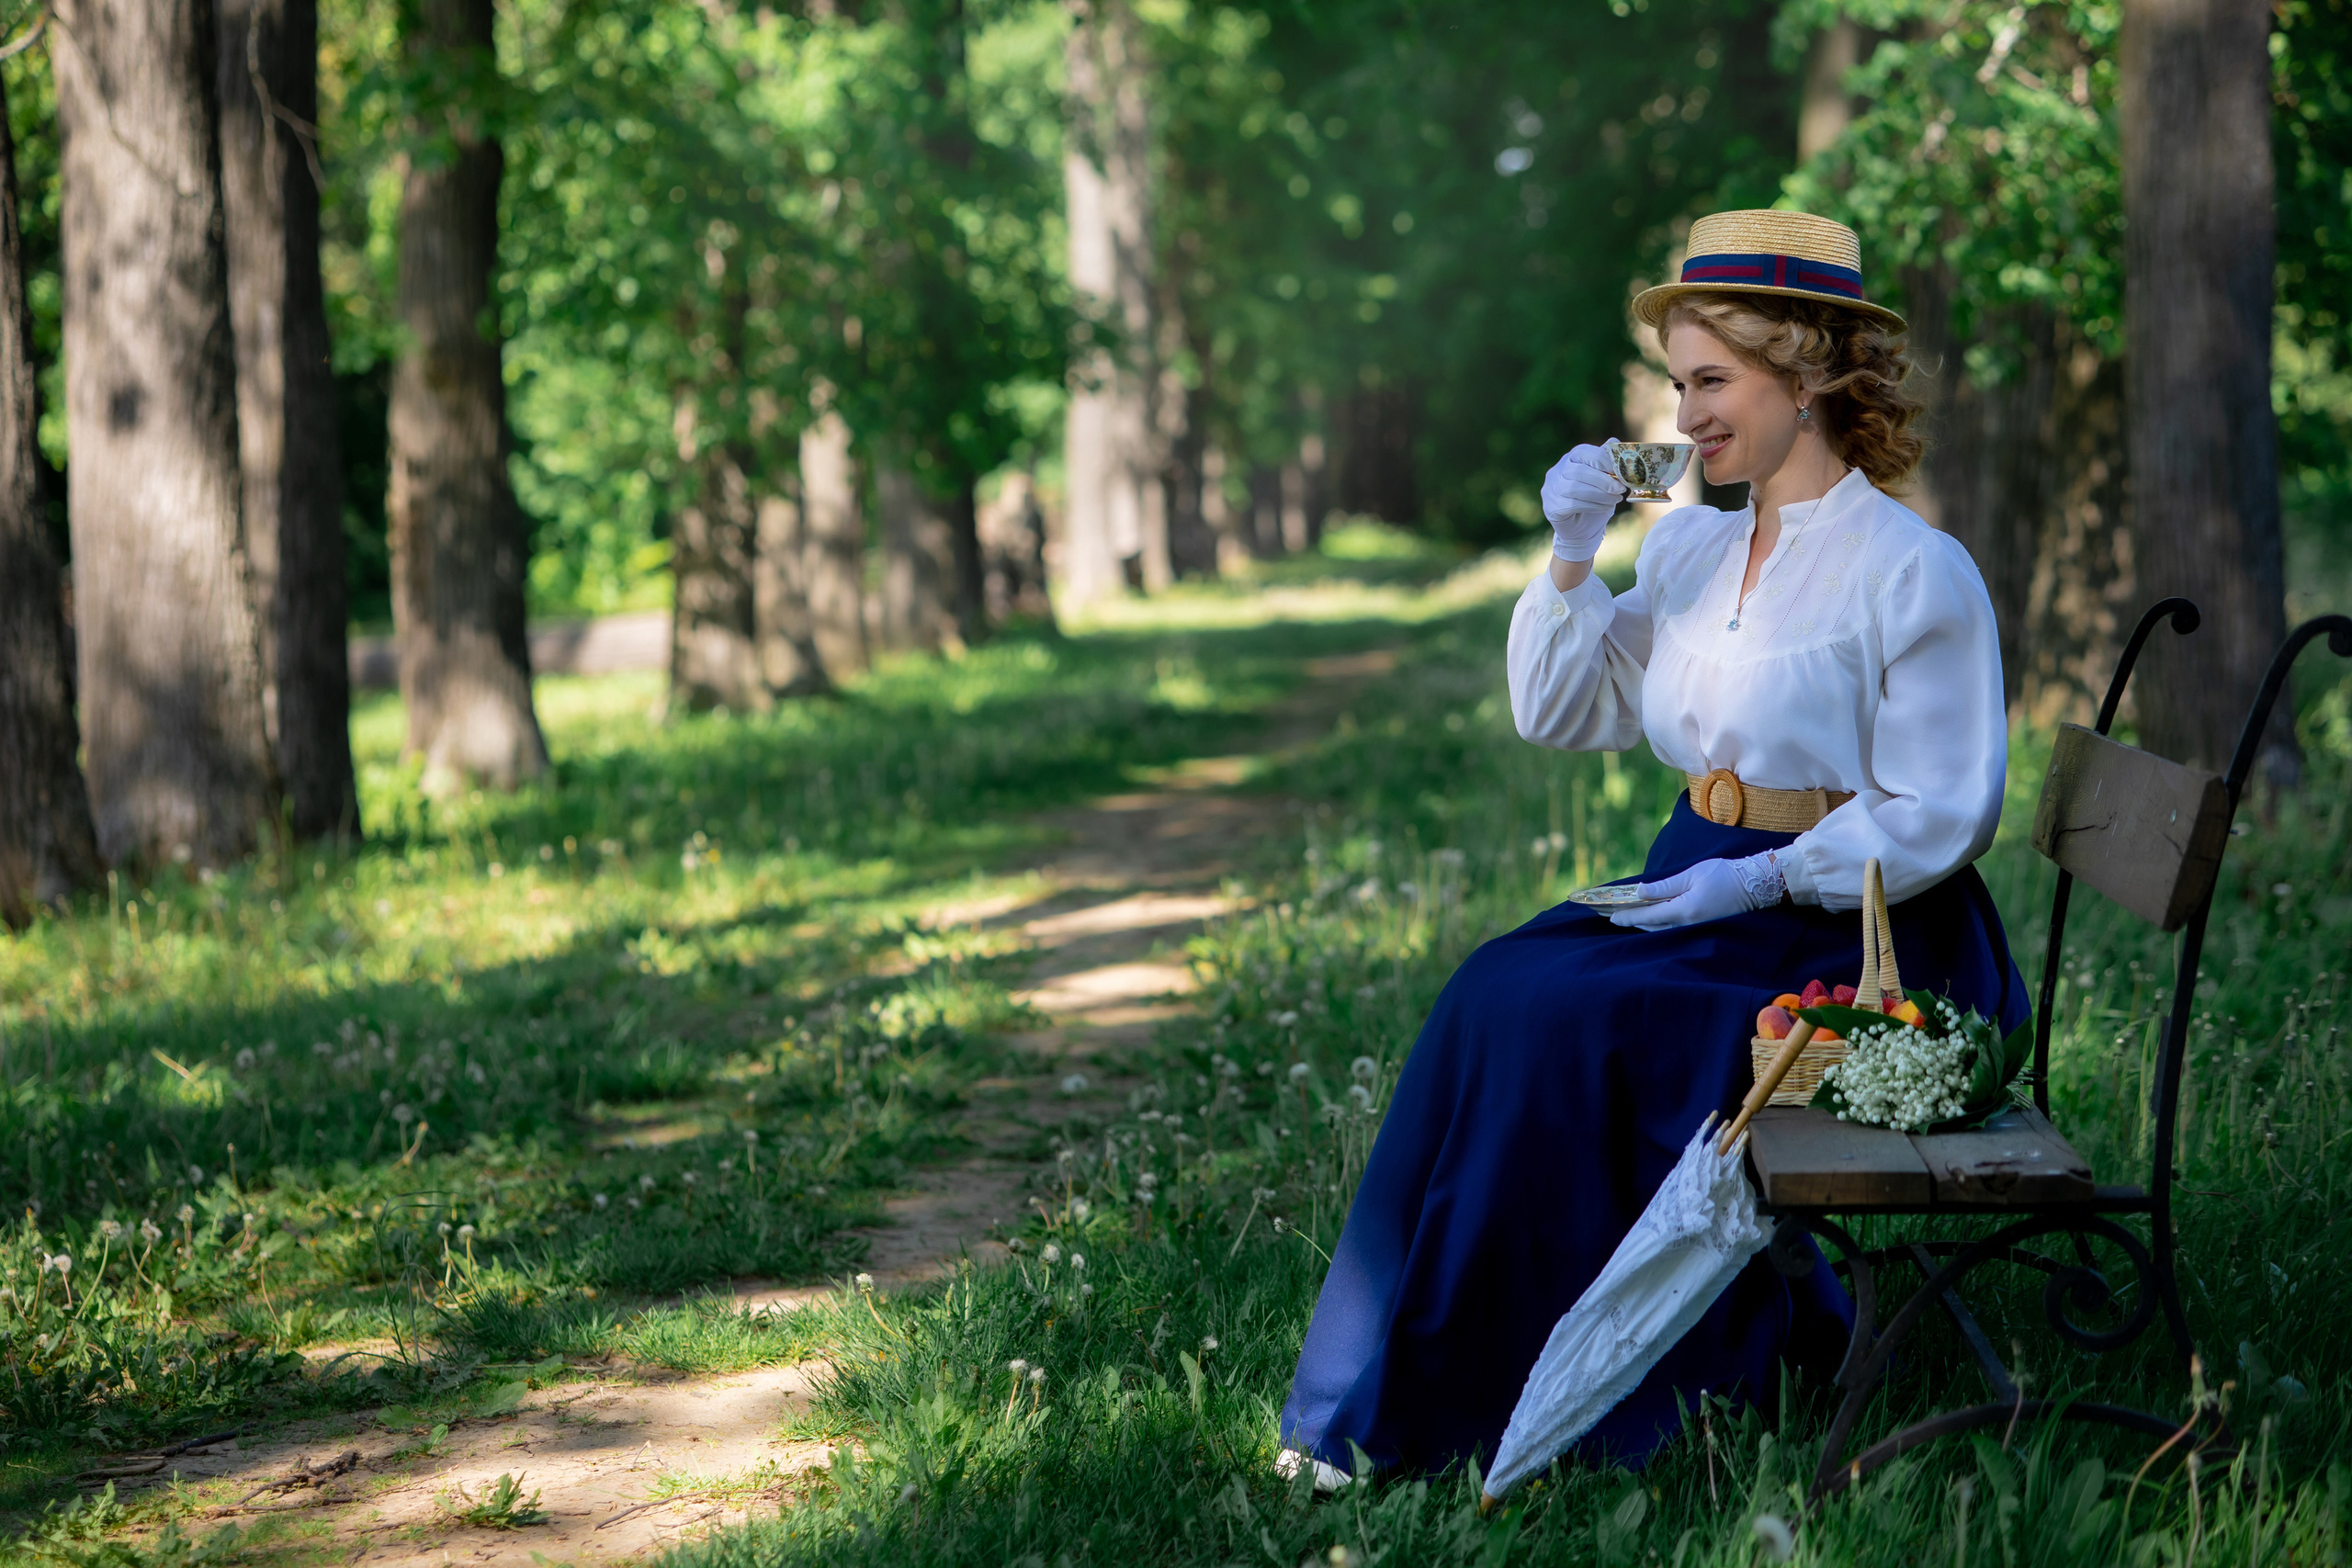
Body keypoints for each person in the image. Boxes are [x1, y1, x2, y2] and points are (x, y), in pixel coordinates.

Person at [1275, 209, 2029, 1486]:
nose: (1687, 418)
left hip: (1863, 925)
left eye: (1713, 382)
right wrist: (1572, 561)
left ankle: (1530, 1407)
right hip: (1699, 882)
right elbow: (1565, 710)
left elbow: (1946, 810)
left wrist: (1766, 874)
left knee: (1565, 1027)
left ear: (1810, 373)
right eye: (1681, 384)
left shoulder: (1915, 570)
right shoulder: (1690, 547)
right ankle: (1370, 1393)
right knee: (1494, 989)